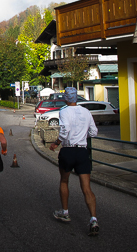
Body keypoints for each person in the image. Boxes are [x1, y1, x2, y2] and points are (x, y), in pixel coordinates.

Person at [49, 87, 99, 236]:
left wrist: (57, 142)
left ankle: (65, 212)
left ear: (66, 98)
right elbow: (94, 132)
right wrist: (83, 135)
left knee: (64, 181)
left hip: (68, 150)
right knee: (86, 187)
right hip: (82, 151)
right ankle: (93, 219)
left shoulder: (64, 111)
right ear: (76, 98)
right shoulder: (86, 111)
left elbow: (65, 130)